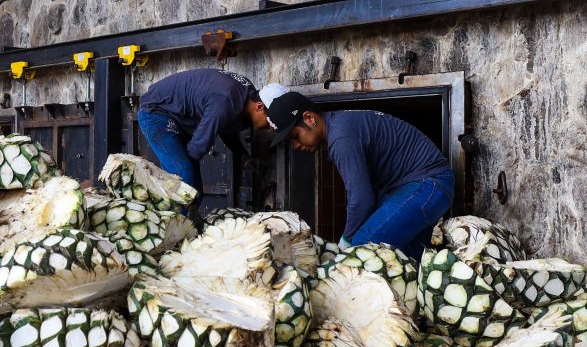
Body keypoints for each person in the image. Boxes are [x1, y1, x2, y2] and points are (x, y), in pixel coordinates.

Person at [266, 89, 454, 260]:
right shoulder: (339, 126)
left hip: (427, 185)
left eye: (294, 136)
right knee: (408, 262)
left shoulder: (341, 138)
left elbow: (362, 199)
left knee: (359, 250)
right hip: (423, 187)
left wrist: (346, 242)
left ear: (309, 118)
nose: (295, 145)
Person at [137, 69, 274, 209]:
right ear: (259, 107)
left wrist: (244, 156)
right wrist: (186, 176)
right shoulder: (225, 100)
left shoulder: (244, 96)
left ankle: (186, 219)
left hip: (179, 117)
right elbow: (198, 146)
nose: (269, 128)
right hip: (156, 112)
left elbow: (224, 126)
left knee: (195, 191)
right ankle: (169, 220)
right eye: (270, 122)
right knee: (183, 179)